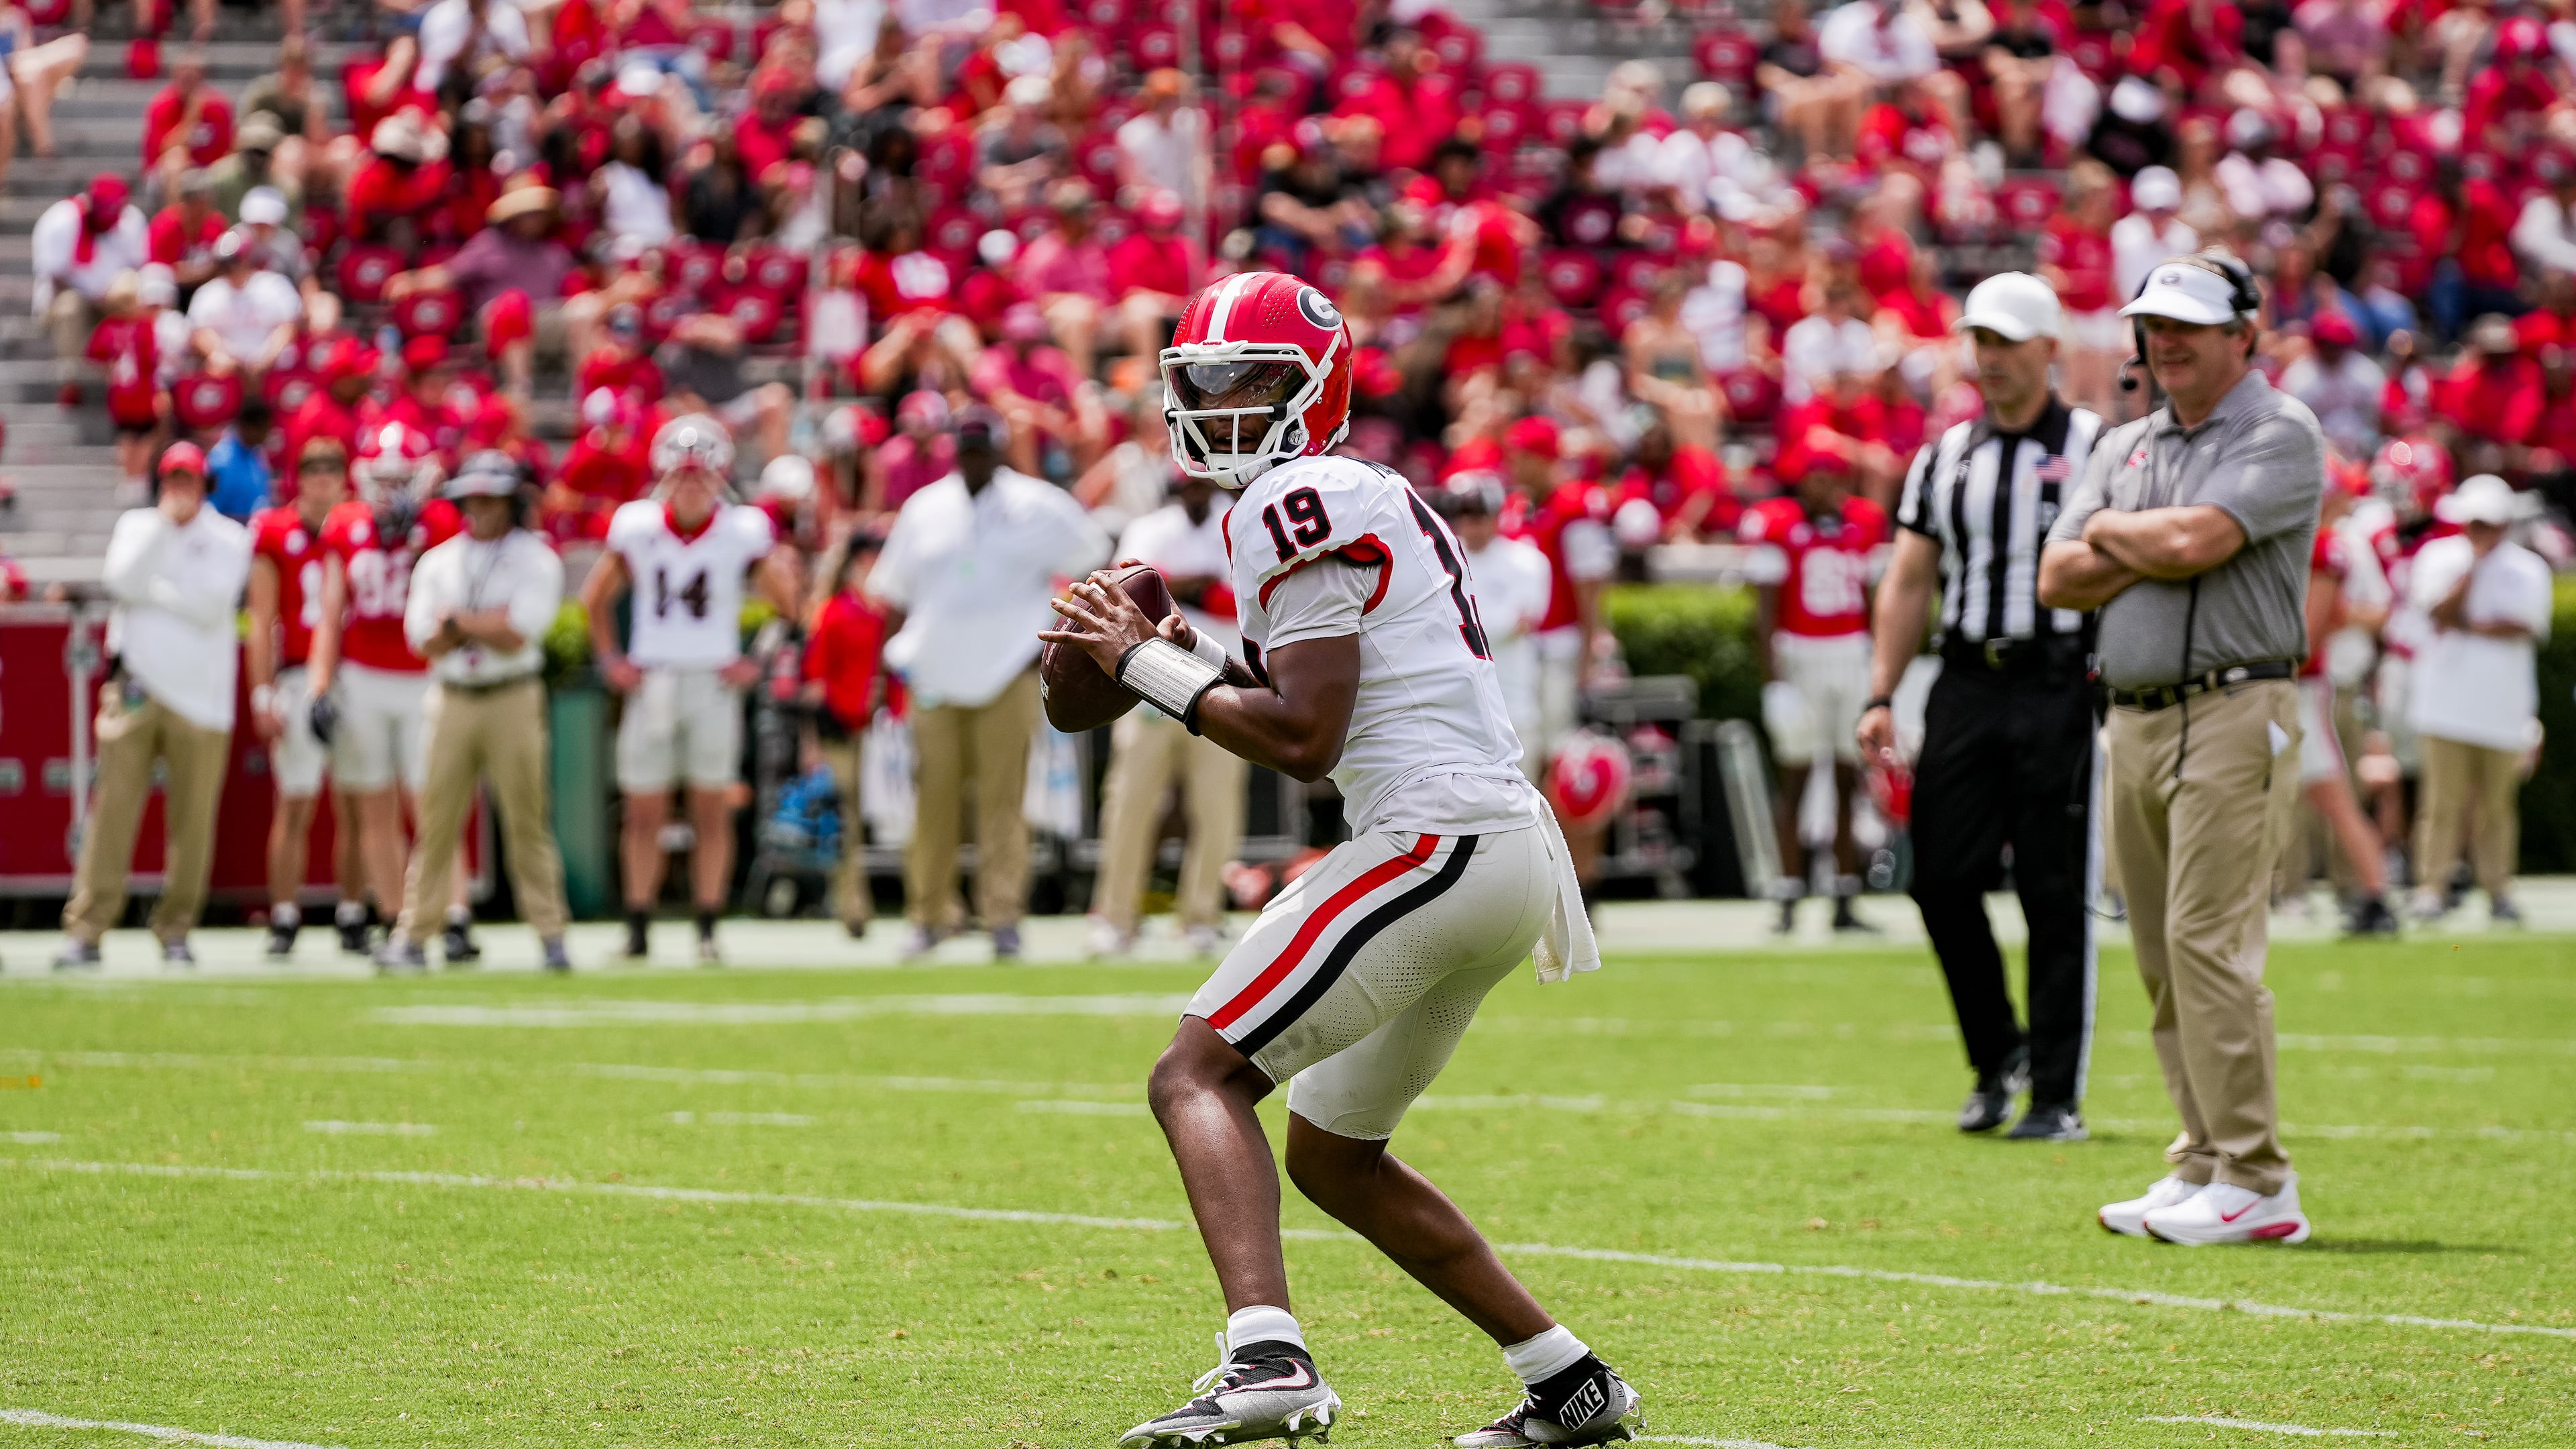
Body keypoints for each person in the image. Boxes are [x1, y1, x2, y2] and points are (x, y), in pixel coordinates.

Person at [1038, 270, 1633, 1449]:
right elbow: (1294, 696)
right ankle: (1568, 1380)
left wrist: (1149, 666)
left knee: (1194, 1077)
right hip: (1489, 849)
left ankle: (1267, 1359)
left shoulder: (1298, 495)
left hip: (1436, 841)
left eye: (1251, 383)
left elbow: (1304, 742)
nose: (1221, 405)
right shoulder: (1330, 495)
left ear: (1315, 391)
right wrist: (1177, 647)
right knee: (1336, 1159)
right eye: (1203, 384)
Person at [2039, 251, 2327, 1246]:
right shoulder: (2128, 443)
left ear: (2243, 334)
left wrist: (2119, 536)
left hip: (2236, 705)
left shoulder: (2280, 430)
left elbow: (2192, 546)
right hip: (2137, 711)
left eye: (2190, 327)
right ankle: (2203, 1157)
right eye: (2155, 324)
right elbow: (2055, 577)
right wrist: (2141, 539)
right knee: (2162, 950)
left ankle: (2258, 1176)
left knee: (2209, 941)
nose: (2167, 342)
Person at [1864, 272, 2106, 1142]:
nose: (1991, 359)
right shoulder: (1945, 456)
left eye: (2008, 342)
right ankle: (1996, 1051)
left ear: (2050, 349)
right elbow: (1910, 577)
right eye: (1981, 342)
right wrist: (1882, 692)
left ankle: (2052, 1091)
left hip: (2060, 680)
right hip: (1966, 676)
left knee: (2052, 885)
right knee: (1938, 876)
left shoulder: (2096, 444)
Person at [868, 407, 1107, 959]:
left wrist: (1055, 636)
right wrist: (886, 675)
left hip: (1009, 672)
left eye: (982, 449)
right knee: (934, 802)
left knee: (1005, 803)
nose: (974, 458)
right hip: (934, 675)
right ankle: (928, 916)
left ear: (999, 450)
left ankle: (1003, 917)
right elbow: (895, 594)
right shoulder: (925, 508)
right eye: (966, 449)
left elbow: (1096, 559)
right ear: (955, 451)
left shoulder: (1037, 505)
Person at [582, 415, 800, 964]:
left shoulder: (742, 530)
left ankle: (706, 926)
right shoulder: (637, 526)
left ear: (718, 475)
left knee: (710, 807)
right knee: (643, 810)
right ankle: (638, 926)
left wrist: (756, 660)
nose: (690, 485)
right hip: (654, 677)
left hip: (711, 678)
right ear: (663, 476)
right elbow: (594, 598)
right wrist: (611, 659)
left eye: (700, 474)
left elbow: (788, 606)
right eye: (681, 475)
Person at [54, 444, 251, 969]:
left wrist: (152, 593)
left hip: (202, 701)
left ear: (206, 484)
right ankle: (88, 929)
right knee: (111, 815)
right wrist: (163, 532)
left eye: (189, 479)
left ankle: (177, 928)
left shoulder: (231, 538)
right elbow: (121, 582)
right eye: (172, 479)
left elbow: (213, 608)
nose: (179, 489)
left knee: (193, 823)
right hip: (136, 689)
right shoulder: (139, 527)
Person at [379, 452, 573, 971]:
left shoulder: (535, 557)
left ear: (510, 502)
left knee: (526, 820)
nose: (480, 507)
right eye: (473, 498)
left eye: (490, 498)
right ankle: (413, 935)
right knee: (436, 823)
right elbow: (424, 640)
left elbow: (516, 634)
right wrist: (479, 624)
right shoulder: (439, 560)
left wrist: (459, 622)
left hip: (511, 693)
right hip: (454, 695)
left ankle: (551, 934)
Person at [307, 423, 470, 966]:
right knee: (374, 807)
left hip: (424, 676)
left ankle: (453, 915)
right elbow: (331, 613)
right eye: (385, 478)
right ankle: (399, 920)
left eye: (404, 478)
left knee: (434, 806)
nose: (394, 489)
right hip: (363, 678)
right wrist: (320, 685)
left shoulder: (443, 523)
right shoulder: (347, 524)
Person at [1085, 469, 1247, 959]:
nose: (1194, 494)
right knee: (1130, 803)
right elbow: (1127, 596)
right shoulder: (1149, 528)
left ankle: (1201, 916)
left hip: (1219, 680)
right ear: (1173, 491)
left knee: (1217, 807)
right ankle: (1115, 918)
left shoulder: (1237, 524)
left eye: (1200, 485)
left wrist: (1178, 588)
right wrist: (1195, 588)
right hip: (1150, 680)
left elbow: (1240, 598)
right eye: (1186, 487)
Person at [1743, 435, 1886, 934]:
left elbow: (1871, 601)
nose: (1827, 486)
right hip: (1801, 657)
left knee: (1849, 779)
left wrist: (1876, 667)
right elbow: (1762, 614)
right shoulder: (1778, 524)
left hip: (1849, 654)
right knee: (1797, 778)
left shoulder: (1863, 521)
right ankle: (1788, 893)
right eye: (1818, 475)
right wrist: (1774, 682)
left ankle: (1845, 895)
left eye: (1834, 476)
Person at [2404, 474, 2552, 924]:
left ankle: (2498, 889)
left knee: (2496, 807)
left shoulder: (2529, 568)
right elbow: (2437, 613)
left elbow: (2525, 625)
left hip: (2504, 708)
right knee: (2441, 804)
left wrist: (2471, 624)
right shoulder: (2438, 558)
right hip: (2444, 705)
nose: (2479, 532)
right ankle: (2431, 888)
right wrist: (2472, 571)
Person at [246, 436, 363, 958]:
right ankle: (285, 913)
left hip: (352, 675)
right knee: (296, 802)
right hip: (296, 675)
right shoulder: (276, 532)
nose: (322, 478)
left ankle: (353, 910)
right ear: (297, 477)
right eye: (312, 468)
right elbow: (261, 619)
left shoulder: (361, 528)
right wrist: (261, 691)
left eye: (331, 468)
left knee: (359, 801)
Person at [2290, 473, 2400, 934]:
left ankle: (2376, 893)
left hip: (2299, 690)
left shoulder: (2325, 546)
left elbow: (2310, 637)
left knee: (2333, 797)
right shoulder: (2316, 542)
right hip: (2295, 689)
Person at [800, 527, 890, 937]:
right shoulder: (834, 612)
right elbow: (815, 684)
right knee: (845, 820)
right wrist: (811, 744)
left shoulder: (892, 612)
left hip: (890, 728)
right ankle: (853, 908)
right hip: (842, 729)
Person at [1444, 477, 1553, 773]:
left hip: (1515, 698)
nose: (1473, 526)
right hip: (1460, 703)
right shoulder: (1442, 560)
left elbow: (1520, 623)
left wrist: (1460, 625)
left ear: (1495, 517)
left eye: (1480, 516)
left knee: (1524, 787)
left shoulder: (1528, 561)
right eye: (1465, 516)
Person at [34, 174, 150, 406]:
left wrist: (111, 296)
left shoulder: (131, 220)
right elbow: (56, 278)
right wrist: (95, 295)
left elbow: (140, 266)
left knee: (132, 289)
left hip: (113, 298)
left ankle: (130, 382)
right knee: (69, 307)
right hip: (71, 297)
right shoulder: (61, 221)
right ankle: (71, 381)